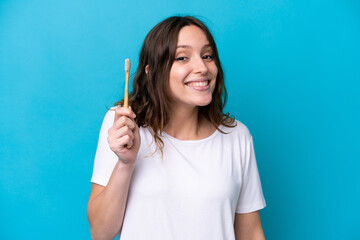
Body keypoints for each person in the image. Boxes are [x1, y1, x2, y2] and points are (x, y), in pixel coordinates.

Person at [87, 16, 266, 240]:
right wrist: (125, 163)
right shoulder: (123, 125)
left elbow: (250, 233)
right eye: (182, 57)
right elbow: (100, 233)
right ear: (151, 72)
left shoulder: (237, 136)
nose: (202, 67)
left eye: (207, 56)